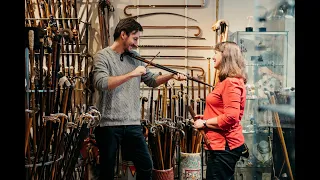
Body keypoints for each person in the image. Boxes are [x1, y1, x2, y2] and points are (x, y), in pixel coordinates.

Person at [92, 17, 186, 180]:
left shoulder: (135, 56)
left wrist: (171, 76)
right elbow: (101, 83)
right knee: (107, 171)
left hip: (132, 123)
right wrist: (132, 74)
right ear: (123, 34)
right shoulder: (103, 56)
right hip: (108, 124)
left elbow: (151, 80)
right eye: (134, 38)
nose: (136, 43)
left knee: (146, 165)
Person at [193, 41, 248, 180]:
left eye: (216, 53)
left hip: (225, 146)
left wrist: (205, 123)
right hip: (218, 145)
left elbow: (231, 117)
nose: (213, 57)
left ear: (226, 56)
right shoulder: (225, 82)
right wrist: (206, 115)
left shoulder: (231, 83)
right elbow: (223, 110)